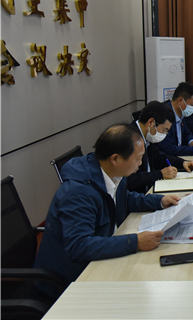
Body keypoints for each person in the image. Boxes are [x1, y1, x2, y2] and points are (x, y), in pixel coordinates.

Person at [34, 125, 181, 297]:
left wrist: (159, 201)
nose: (141, 163)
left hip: (100, 257)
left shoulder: (112, 173)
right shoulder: (78, 192)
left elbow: (124, 199)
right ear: (115, 159)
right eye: (138, 159)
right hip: (70, 280)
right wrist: (134, 242)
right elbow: (79, 246)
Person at [128, 100, 193, 193]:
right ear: (151, 122)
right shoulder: (130, 140)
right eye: (163, 130)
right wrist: (160, 174)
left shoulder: (147, 135)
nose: (164, 134)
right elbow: (130, 180)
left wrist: (182, 163)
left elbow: (159, 158)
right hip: (138, 195)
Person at [158, 82, 193, 156]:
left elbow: (186, 132)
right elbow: (168, 149)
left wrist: (192, 142)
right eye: (192, 105)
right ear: (180, 100)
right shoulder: (163, 116)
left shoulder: (180, 113)